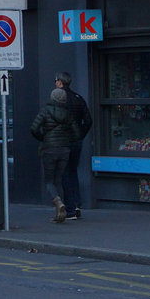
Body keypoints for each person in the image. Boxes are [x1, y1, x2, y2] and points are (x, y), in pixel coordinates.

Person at [31, 87, 80, 223]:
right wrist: (66, 139)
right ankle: (60, 212)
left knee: (49, 181)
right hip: (64, 150)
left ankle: (58, 202)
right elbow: (77, 133)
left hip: (49, 149)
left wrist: (43, 138)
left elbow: (34, 128)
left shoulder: (45, 111)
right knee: (59, 180)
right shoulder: (68, 113)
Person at [56, 71, 93, 220]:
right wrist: (80, 135)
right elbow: (88, 120)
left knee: (64, 173)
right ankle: (77, 205)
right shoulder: (78, 98)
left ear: (59, 82)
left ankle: (70, 209)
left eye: (55, 81)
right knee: (72, 171)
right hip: (76, 141)